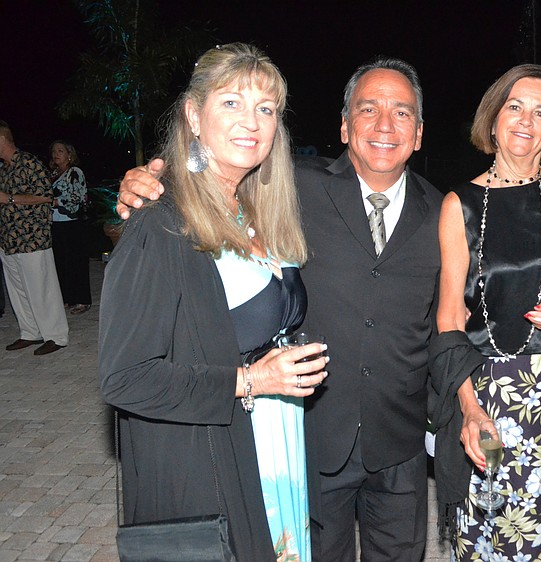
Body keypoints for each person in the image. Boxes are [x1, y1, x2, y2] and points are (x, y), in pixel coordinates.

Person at [117, 57, 442, 561]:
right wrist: (146, 183)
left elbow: (456, 316)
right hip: (310, 438)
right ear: (343, 125)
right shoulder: (292, 187)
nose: (384, 125)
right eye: (368, 109)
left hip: (398, 441)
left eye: (401, 113)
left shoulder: (444, 212)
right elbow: (214, 173)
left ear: (419, 134)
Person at [99, 43, 329, 560]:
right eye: (231, 103)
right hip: (213, 461)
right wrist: (252, 380)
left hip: (276, 444)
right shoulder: (161, 224)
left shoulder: (256, 209)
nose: (251, 121)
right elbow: (125, 377)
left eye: (265, 109)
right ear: (193, 115)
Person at [432, 64, 541, 561]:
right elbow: (448, 319)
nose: (526, 120)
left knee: (540, 531)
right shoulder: (460, 204)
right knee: (489, 537)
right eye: (515, 106)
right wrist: (468, 405)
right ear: (495, 116)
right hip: (486, 393)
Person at [0, 120, 69, 356]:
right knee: (18, 291)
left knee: (42, 289)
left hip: (31, 237)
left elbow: (45, 196)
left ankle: (56, 335)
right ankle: (30, 332)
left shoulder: (29, 163)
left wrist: (9, 198)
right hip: (8, 240)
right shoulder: (3, 169)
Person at [49, 140, 92, 314]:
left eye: (60, 150)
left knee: (76, 262)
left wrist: (55, 201)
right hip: (57, 223)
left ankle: (82, 300)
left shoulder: (75, 172)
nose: (56, 154)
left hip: (73, 223)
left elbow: (78, 197)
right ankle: (67, 298)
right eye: (53, 151)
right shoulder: (53, 173)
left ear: (69, 154)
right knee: (61, 262)